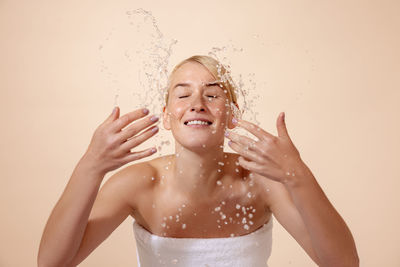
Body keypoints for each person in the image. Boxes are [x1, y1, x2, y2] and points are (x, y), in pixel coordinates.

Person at [38, 55, 359, 267]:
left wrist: (297, 175)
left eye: (212, 94)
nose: (197, 104)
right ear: (166, 116)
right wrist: (90, 166)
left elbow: (343, 263)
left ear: (232, 114)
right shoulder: (138, 183)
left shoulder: (262, 182)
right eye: (182, 94)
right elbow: (52, 263)